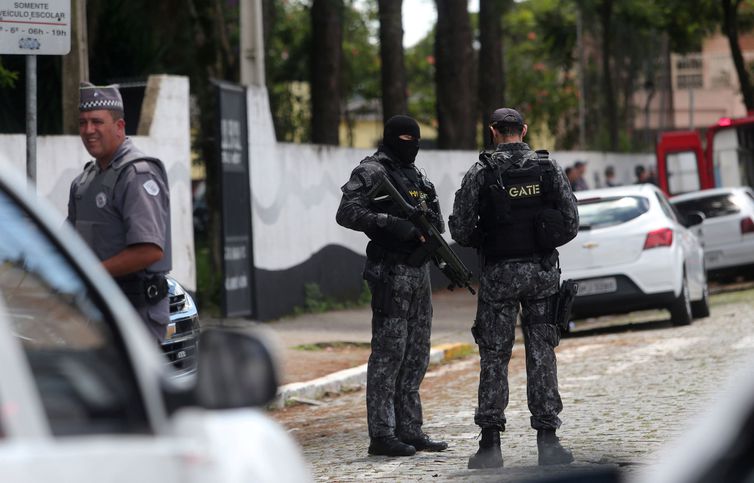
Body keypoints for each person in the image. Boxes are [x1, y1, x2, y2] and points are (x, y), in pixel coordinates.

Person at [449, 108, 578, 469]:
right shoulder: (548, 168)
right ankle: (548, 443)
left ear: (493, 132)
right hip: (540, 274)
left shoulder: (480, 172)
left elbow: (459, 230)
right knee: (542, 355)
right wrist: (541, 240)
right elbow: (570, 222)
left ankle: (490, 446)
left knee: (494, 357)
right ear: (523, 130)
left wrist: (488, 241)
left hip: (499, 277)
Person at [335, 115, 448, 457]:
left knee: (417, 352)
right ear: (388, 138)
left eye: (415, 139)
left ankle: (410, 428)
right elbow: (346, 212)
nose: (411, 144)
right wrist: (390, 223)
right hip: (390, 271)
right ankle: (382, 434)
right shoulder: (372, 172)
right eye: (404, 138)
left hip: (418, 272)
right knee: (389, 354)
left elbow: (438, 221)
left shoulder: (417, 176)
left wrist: (424, 226)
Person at [67, 82, 172, 341]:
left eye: (97, 122)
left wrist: (91, 273)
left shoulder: (136, 174)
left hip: (135, 314)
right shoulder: (85, 181)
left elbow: (149, 250)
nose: (88, 130)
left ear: (119, 126)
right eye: (83, 123)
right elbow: (66, 240)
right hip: (99, 311)